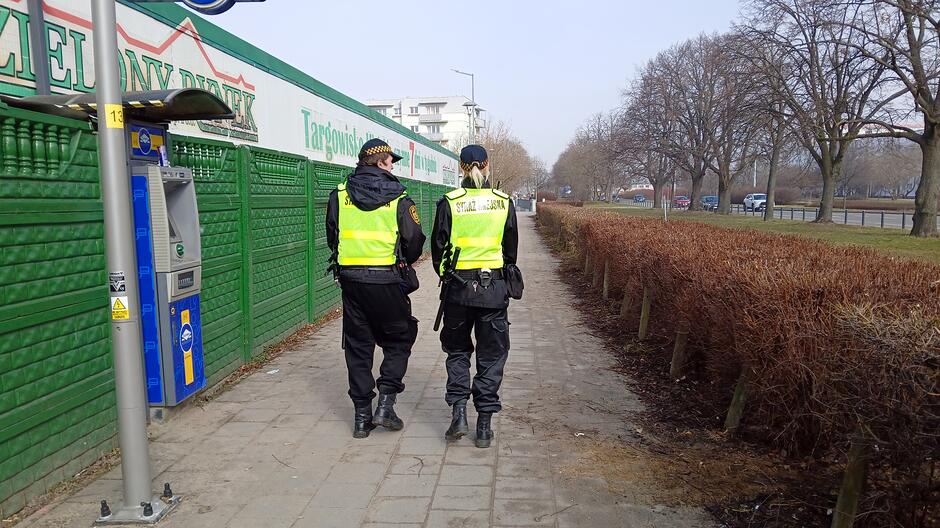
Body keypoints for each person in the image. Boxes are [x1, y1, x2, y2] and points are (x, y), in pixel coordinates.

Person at [326, 138, 426, 438]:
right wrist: (402, 261)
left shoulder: (339, 194)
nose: (393, 166)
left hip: (351, 281)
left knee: (358, 346)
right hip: (386, 281)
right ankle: (385, 404)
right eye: (391, 161)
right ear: (382, 163)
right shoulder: (399, 198)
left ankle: (361, 418)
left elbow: (333, 236)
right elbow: (415, 242)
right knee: (399, 340)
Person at [431, 144, 520, 448]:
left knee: (457, 352)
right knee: (491, 356)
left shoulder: (450, 202)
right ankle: (483, 425)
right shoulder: (503, 202)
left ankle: (458, 414)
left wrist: (448, 277)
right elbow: (510, 252)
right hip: (493, 290)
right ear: (487, 165)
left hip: (457, 290)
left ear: (461, 167)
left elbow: (439, 249)